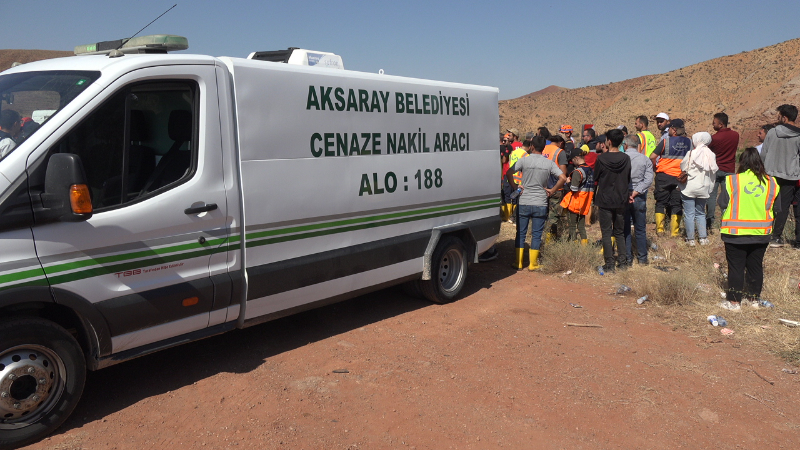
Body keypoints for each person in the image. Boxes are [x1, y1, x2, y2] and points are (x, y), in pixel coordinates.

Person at [718, 148, 779, 311]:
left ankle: (734, 302)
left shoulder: (732, 181)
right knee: (755, 266)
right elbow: (777, 208)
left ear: (742, 163)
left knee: (736, 267)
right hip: (761, 234)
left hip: (735, 233)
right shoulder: (772, 183)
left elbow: (722, 203)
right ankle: (753, 300)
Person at [505, 136, 566, 271]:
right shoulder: (549, 163)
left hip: (525, 200)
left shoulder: (524, 161)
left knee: (521, 232)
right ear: (543, 147)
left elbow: (509, 173)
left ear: (532, 146)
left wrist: (515, 187)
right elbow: (563, 178)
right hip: (540, 202)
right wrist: (552, 190)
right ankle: (533, 264)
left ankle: (518, 262)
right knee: (537, 233)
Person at [761, 104, 800, 248]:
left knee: (768, 204)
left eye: (779, 116)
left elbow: (764, 153)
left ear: (784, 117)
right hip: (791, 175)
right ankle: (776, 236)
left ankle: (765, 232)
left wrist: (763, 169)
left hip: (770, 173)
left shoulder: (772, 132)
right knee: (783, 207)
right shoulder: (799, 135)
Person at [594, 129, 631, 272]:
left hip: (604, 199)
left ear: (608, 141)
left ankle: (609, 264)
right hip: (621, 199)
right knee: (620, 232)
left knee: (606, 232)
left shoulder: (601, 159)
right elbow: (627, 178)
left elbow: (596, 177)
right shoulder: (626, 158)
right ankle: (622, 263)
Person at [650, 118, 691, 236]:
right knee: (677, 203)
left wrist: (655, 168)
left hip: (663, 176)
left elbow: (652, 156)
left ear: (673, 130)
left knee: (661, 202)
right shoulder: (689, 142)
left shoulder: (665, 142)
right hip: (680, 177)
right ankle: (674, 232)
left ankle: (660, 230)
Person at [679, 132, 718, 246]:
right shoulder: (711, 155)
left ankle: (690, 239)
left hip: (689, 188)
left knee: (689, 214)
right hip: (703, 187)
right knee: (700, 213)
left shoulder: (691, 153)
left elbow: (683, 166)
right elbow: (713, 173)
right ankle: (703, 238)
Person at [706, 112, 740, 232]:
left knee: (711, 196)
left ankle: (709, 221)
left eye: (714, 123)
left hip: (715, 170)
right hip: (729, 170)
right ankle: (725, 222)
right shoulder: (735, 135)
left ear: (721, 124)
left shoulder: (714, 138)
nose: (712, 124)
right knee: (727, 198)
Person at [623, 134, 653, 264]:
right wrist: (636, 192)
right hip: (639, 197)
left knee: (625, 229)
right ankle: (642, 259)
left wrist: (629, 192)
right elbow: (648, 180)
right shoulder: (645, 159)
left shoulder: (622, 159)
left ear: (625, 145)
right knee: (640, 229)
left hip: (624, 196)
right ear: (638, 145)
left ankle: (628, 259)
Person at [560, 149, 593, 243]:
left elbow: (574, 188)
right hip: (585, 202)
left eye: (572, 160)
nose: (572, 163)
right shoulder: (590, 169)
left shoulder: (578, 171)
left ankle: (573, 244)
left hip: (576, 201)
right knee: (581, 226)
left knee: (572, 225)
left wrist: (567, 182)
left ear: (576, 158)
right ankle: (584, 246)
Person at [543, 135, 569, 240]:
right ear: (561, 143)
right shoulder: (560, 152)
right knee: (553, 216)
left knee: (542, 214)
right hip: (555, 187)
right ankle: (550, 240)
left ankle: (542, 236)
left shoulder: (543, 149)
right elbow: (563, 173)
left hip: (542, 186)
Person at [500, 134, 515, 222]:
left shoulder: (509, 148)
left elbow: (504, 160)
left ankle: (508, 215)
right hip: (505, 172)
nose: (504, 142)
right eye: (503, 140)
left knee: (507, 194)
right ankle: (507, 215)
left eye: (506, 141)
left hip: (507, 172)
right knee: (506, 193)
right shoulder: (506, 148)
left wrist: (505, 153)